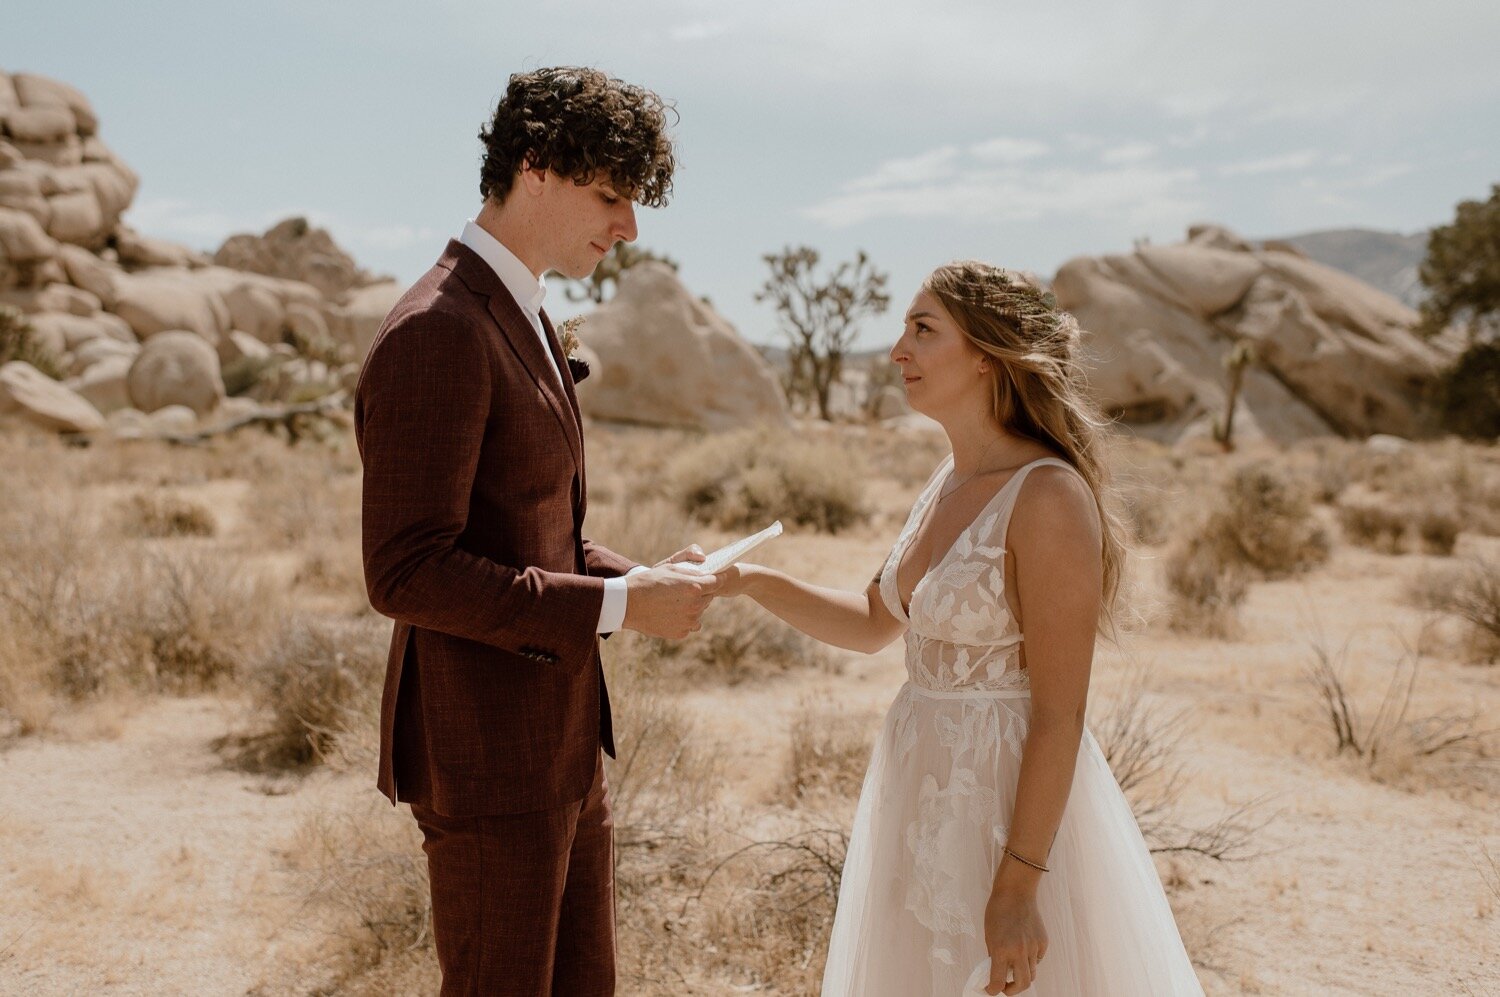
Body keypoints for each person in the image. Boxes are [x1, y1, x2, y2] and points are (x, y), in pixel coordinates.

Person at [718, 261, 1203, 995]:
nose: (897, 351)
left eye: (922, 329)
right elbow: (874, 620)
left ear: (987, 353)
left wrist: (1016, 886)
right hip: (919, 790)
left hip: (1007, 807)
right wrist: (748, 580)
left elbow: (1059, 712)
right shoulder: (945, 482)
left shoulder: (1048, 497)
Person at [354, 67, 720, 997]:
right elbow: (407, 570)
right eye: (611, 195)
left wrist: (640, 579)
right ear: (535, 167)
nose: (629, 226)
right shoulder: (437, 328)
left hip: (558, 746)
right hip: (486, 755)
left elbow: (530, 533)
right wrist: (619, 606)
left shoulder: (523, 311)